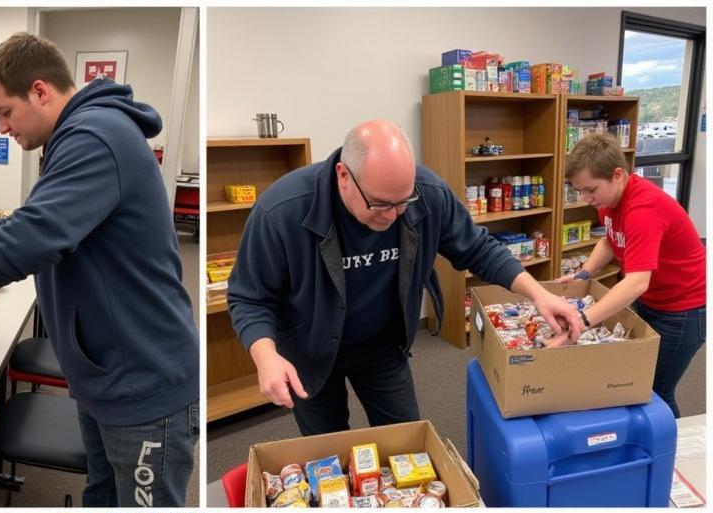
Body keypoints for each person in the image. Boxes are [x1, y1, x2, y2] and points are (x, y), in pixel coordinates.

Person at [0, 33, 199, 507]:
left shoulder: (94, 137)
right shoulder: (81, 133)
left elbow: (31, 240)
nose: (3, 127)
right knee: (102, 501)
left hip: (143, 382)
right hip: (104, 373)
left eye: (5, 112)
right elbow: (46, 222)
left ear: (41, 91)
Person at [228, 120, 584, 434]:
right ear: (343, 176)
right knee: (328, 451)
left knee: (406, 441)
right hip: (308, 347)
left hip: (382, 342)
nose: (394, 216)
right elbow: (249, 297)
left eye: (403, 203)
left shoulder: (426, 194)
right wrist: (265, 356)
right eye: (381, 204)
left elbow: (477, 248)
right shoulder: (282, 210)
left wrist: (538, 294)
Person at [557, 133, 705, 417]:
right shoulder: (610, 201)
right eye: (580, 191)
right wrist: (584, 274)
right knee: (633, 381)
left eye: (590, 190)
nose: (586, 199)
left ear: (617, 175)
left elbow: (637, 281)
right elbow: (610, 240)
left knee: (655, 392)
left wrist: (582, 321)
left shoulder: (642, 209)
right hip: (652, 300)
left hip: (685, 310)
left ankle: (673, 453)